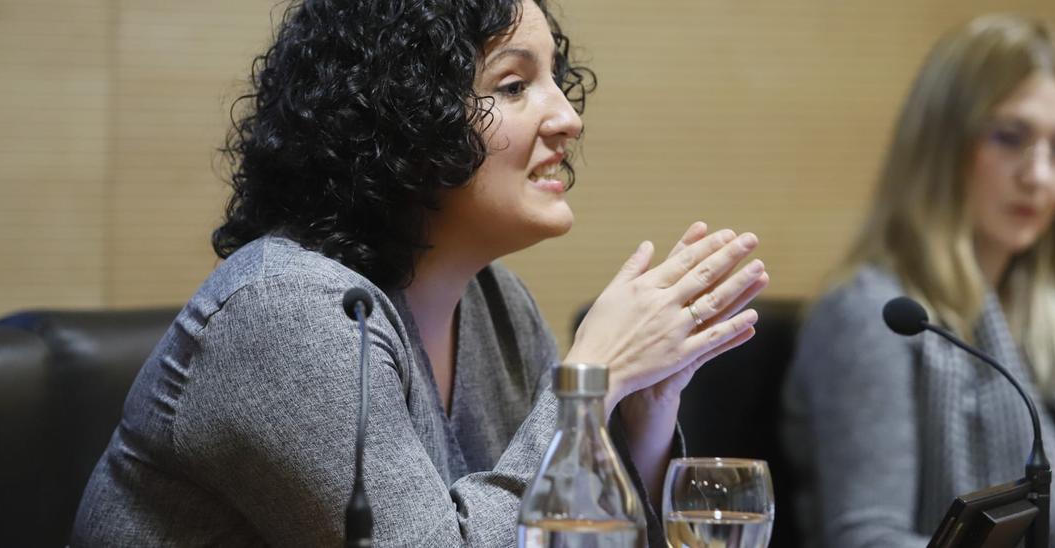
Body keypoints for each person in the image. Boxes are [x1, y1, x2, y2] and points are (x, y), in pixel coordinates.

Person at [72, 0, 769, 545]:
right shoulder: (284, 313)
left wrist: (640, 417)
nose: (567, 117)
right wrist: (591, 384)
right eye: (517, 83)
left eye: (557, 79)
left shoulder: (500, 308)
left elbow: (574, 539)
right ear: (405, 114)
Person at [781, 14, 1055, 547]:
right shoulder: (871, 314)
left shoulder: (1051, 325)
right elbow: (866, 541)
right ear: (941, 146)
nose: (1039, 176)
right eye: (1011, 138)